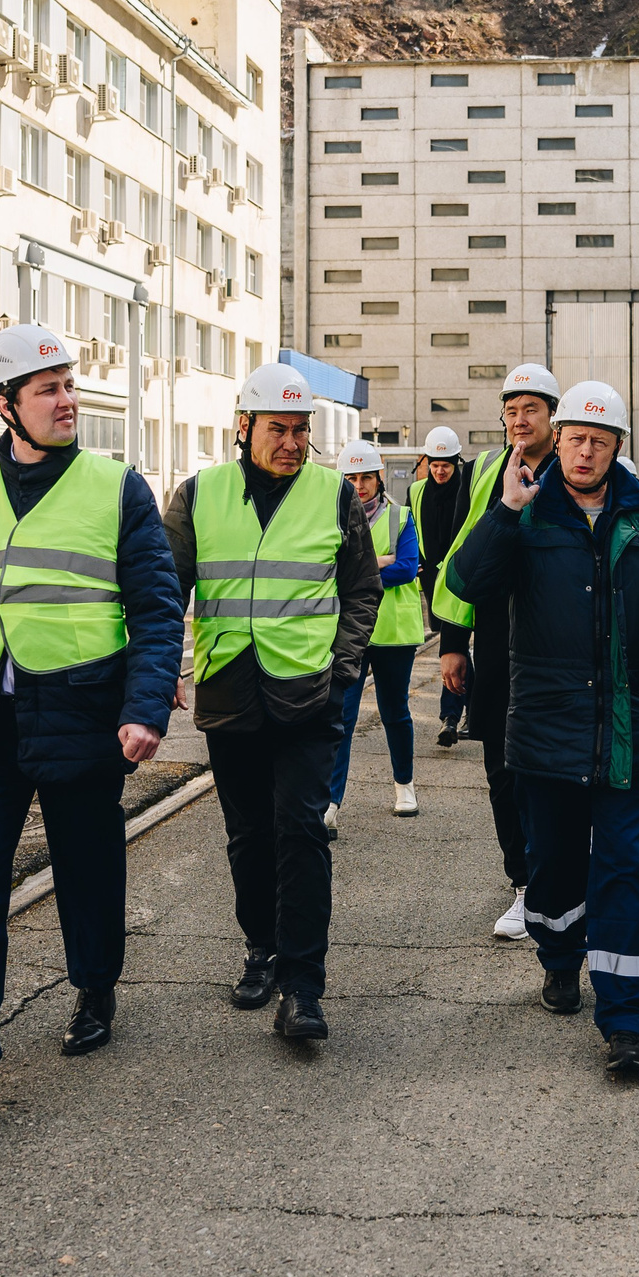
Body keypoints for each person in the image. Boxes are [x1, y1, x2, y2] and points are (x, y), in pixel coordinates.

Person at [0, 325, 181, 1155]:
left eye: (69, 384)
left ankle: (95, 985)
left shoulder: (116, 486)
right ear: (6, 405)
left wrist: (145, 707)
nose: (68, 400)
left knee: (89, 866)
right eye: (48, 388)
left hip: (82, 709)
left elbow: (157, 606)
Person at [443, 381, 639, 1075]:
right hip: (544, 732)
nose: (585, 450)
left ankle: (626, 1020)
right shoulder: (525, 514)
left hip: (626, 731)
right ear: (555, 440)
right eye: (575, 438)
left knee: (623, 873)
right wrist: (504, 511)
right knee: (553, 868)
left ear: (619, 445)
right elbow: (465, 583)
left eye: (600, 439)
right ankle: (559, 956)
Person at [167, 363, 381, 1042]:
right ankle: (260, 946)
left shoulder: (334, 496)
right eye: (278, 429)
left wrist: (343, 669)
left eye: (300, 430)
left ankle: (302, 986)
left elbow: (361, 591)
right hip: (230, 691)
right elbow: (166, 588)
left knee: (302, 831)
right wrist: (155, 674)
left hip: (309, 695)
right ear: (244, 427)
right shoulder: (197, 495)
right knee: (249, 835)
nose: (291, 442)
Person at [430, 365, 564, 943]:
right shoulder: (487, 469)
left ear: (554, 417)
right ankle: (524, 887)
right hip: (499, 645)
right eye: (510, 410)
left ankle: (561, 884)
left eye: (530, 409)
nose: (518, 420)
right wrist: (454, 645)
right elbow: (464, 553)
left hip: (561, 650)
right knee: (501, 775)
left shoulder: (581, 464)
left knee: (555, 778)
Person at [332, 439, 423, 819]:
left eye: (366, 477)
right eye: (351, 478)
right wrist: (380, 560)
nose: (359, 485)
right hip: (350, 631)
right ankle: (330, 802)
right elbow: (328, 571)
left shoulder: (400, 516)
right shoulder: (329, 517)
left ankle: (405, 786)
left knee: (394, 712)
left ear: (379, 477)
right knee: (341, 717)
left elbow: (407, 566)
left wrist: (363, 568)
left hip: (393, 632)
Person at [411, 427, 473, 745]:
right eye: (434, 464)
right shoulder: (416, 491)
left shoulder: (469, 488)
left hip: (460, 580)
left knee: (453, 649)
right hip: (432, 582)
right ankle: (472, 711)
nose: (439, 471)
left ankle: (450, 716)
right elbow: (412, 529)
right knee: (458, 651)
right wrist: (416, 560)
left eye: (445, 465)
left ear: (455, 463)